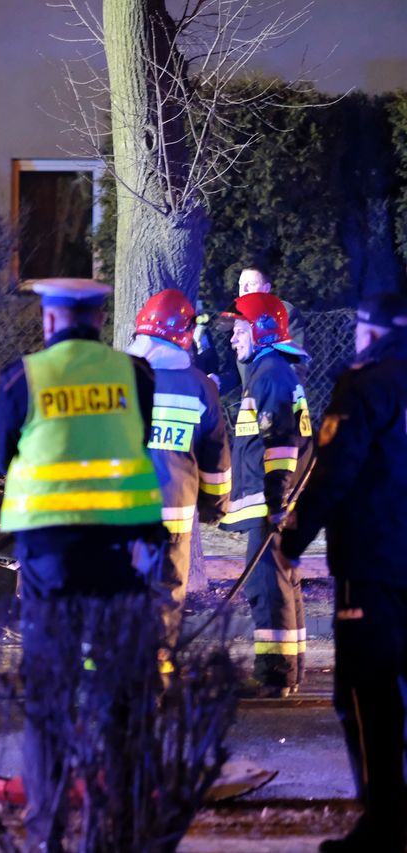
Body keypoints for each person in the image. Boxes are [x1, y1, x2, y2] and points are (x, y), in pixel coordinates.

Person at [0, 278, 166, 850]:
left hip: (51, 565)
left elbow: (2, 455)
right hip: (123, 559)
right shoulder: (135, 375)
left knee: (49, 700)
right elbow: (136, 438)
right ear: (98, 321)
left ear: (49, 322)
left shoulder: (25, 377)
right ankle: (125, 823)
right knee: (121, 696)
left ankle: (48, 831)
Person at [280, 293, 407, 852]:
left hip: (375, 565)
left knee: (368, 695)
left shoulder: (367, 385)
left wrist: (291, 538)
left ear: (372, 332)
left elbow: (334, 472)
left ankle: (383, 827)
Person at [218, 291, 313, 698]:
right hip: (279, 501)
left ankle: (276, 675)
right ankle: (290, 670)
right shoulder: (272, 371)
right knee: (282, 583)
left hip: (272, 502)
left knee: (267, 587)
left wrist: (276, 502)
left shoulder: (270, 373)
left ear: (261, 330)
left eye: (239, 329)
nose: (233, 339)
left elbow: (279, 443)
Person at [126, 289, 231, 650]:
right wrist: (215, 507)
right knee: (165, 598)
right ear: (184, 334)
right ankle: (157, 675)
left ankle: (104, 677)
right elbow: (216, 461)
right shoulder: (200, 387)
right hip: (172, 517)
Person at [200, 267, 307, 395]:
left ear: (266, 289)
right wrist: (220, 382)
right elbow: (235, 371)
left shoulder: (284, 313)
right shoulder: (239, 321)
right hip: (251, 403)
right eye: (241, 285)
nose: (244, 290)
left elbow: (297, 360)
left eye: (251, 284)